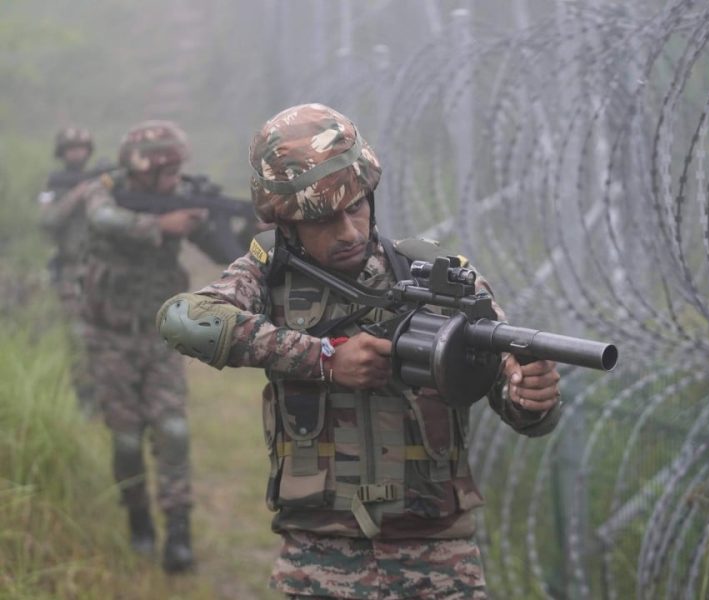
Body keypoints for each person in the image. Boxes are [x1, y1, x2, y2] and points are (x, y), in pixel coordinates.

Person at [156, 103, 562, 598]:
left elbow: (512, 393)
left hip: (438, 559)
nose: (348, 231)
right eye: (324, 219)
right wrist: (323, 358)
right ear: (287, 222)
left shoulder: (438, 276)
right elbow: (184, 320)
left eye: (356, 207)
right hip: (320, 558)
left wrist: (532, 398)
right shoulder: (267, 273)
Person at [77, 120, 230, 573]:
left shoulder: (180, 196)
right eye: (166, 172)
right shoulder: (107, 191)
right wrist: (160, 223)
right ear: (141, 169)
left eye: (176, 170)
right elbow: (101, 217)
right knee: (126, 440)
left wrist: (236, 225)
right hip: (109, 338)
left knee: (174, 432)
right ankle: (139, 520)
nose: (174, 180)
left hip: (160, 337)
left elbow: (222, 249)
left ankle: (178, 533)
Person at [37, 126, 98, 416]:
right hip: (71, 274)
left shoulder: (101, 181)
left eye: (81, 147)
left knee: (106, 335)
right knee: (78, 338)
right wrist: (76, 196)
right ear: (62, 153)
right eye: (71, 148)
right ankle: (85, 400)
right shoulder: (53, 185)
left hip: (102, 272)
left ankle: (108, 397)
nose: (77, 153)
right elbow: (47, 222)